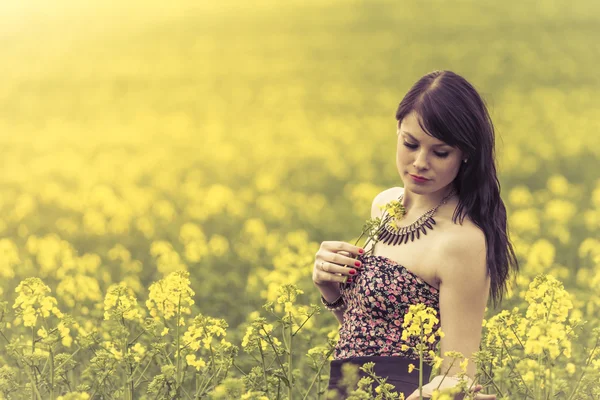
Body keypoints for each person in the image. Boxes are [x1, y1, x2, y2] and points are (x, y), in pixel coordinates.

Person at [312, 70, 519, 399]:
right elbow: (369, 335)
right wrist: (330, 290)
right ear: (397, 130)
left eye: (440, 153)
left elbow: (457, 376)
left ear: (465, 154)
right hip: (348, 389)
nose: (420, 162)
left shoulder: (461, 242)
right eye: (410, 144)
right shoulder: (383, 206)